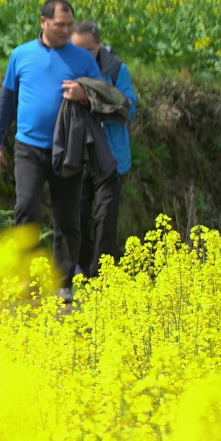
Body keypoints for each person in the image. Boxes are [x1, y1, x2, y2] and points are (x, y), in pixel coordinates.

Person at [0, 0, 99, 288]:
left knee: (67, 218)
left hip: (68, 149)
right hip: (28, 148)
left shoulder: (83, 59)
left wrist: (83, 93)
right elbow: (7, 100)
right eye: (60, 25)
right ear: (43, 22)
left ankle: (63, 283)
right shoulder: (21, 55)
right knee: (26, 208)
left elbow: (105, 98)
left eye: (70, 25)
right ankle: (22, 277)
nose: (66, 30)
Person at [70, 19, 138, 275]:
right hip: (78, 154)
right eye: (76, 48)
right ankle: (83, 266)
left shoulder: (116, 69)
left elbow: (128, 109)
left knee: (105, 218)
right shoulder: (66, 65)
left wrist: (91, 99)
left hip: (111, 157)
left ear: (99, 44)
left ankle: (102, 276)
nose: (82, 55)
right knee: (77, 215)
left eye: (88, 49)